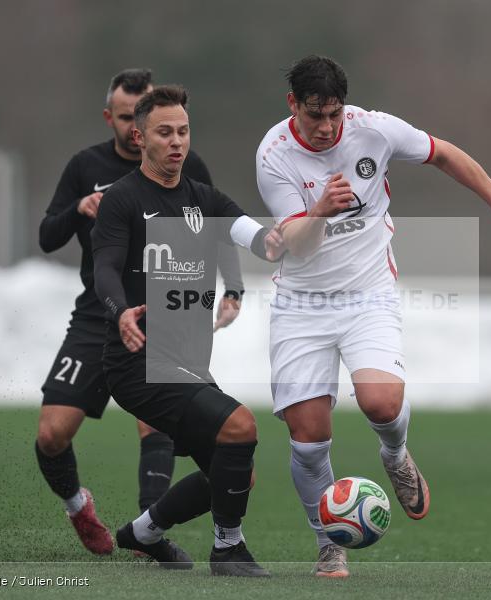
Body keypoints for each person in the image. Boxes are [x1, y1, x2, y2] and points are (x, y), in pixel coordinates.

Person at [255, 55, 491, 577]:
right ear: (292, 104)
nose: (327, 127)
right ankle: (328, 543)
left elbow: (443, 153)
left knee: (381, 403)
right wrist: (319, 210)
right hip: (302, 305)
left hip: (368, 294)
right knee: (309, 439)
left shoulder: (374, 130)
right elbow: (294, 245)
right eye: (315, 115)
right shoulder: (274, 154)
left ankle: (395, 455)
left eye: (334, 115)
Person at [36, 68, 244, 560]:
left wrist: (233, 286)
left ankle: (148, 534)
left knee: (161, 426)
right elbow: (47, 237)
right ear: (110, 118)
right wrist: (79, 208)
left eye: (142, 118)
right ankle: (77, 505)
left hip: (165, 316)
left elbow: (219, 226)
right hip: (99, 314)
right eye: (126, 117)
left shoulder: (187, 166)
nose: (135, 127)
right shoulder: (86, 166)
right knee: (52, 434)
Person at [92, 85, 284, 577]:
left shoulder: (205, 199)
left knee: (235, 472)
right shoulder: (122, 200)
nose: (176, 141)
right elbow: (105, 269)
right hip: (138, 363)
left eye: (183, 131)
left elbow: (263, 242)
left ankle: (143, 533)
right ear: (139, 138)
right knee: (241, 426)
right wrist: (120, 311)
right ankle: (228, 550)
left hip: (187, 362)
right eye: (164, 132)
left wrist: (312, 217)